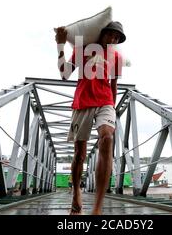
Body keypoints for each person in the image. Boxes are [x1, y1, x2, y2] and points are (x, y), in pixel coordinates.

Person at [54, 21, 126, 215]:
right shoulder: (84, 49)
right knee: (80, 155)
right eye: (110, 35)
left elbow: (114, 85)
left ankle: (97, 208)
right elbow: (64, 74)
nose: (113, 40)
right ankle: (76, 191)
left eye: (117, 38)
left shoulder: (117, 57)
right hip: (83, 102)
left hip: (105, 102)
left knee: (107, 137)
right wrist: (60, 45)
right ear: (101, 34)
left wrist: (113, 107)